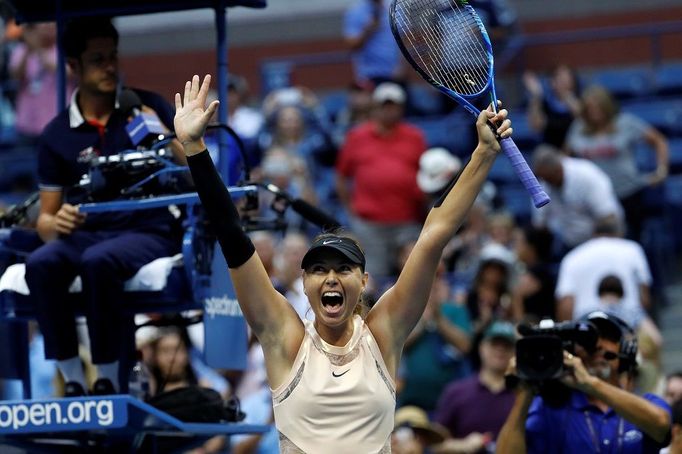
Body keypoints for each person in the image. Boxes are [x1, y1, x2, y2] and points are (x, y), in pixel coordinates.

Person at [173, 73, 513, 452]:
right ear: (303, 283)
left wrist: (483, 153)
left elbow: (434, 235)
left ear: (364, 280)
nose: (331, 278)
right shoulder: (285, 338)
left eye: (343, 268)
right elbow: (233, 237)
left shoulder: (384, 334)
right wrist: (194, 148)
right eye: (319, 269)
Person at [24, 17, 182, 396]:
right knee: (41, 264)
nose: (110, 66)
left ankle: (108, 378)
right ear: (74, 67)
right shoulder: (56, 135)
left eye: (113, 56)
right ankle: (74, 381)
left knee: (99, 261)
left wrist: (164, 135)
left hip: (150, 230)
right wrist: (55, 222)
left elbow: (191, 170)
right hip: (89, 232)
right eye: (98, 59)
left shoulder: (144, 107)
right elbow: (45, 220)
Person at [496, 311, 671, 454]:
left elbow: (661, 425)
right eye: (588, 338)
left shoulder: (646, 403)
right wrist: (525, 393)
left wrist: (590, 384)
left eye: (608, 337)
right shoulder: (549, 409)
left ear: (624, 351)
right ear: (573, 351)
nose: (598, 344)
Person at [336, 82, 426, 277]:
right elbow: (342, 176)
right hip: (369, 225)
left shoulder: (415, 136)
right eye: (384, 105)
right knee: (372, 277)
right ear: (375, 107)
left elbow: (426, 175)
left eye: (393, 105)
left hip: (407, 222)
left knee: (416, 274)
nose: (389, 110)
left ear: (401, 108)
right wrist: (352, 212)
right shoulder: (357, 136)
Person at [565, 84, 669, 241]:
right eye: (590, 108)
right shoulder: (578, 128)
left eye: (598, 107)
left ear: (607, 106)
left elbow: (659, 141)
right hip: (594, 197)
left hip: (628, 192)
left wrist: (661, 170)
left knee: (632, 239)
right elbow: (565, 158)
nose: (595, 112)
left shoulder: (625, 123)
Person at [432, 320, 517, 454]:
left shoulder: (523, 395)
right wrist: (463, 446)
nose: (500, 349)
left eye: (507, 345)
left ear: (514, 352)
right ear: (482, 347)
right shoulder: (457, 392)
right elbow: (435, 444)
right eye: (495, 343)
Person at [531, 143, 623, 251]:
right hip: (568, 244)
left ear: (557, 170)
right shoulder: (544, 182)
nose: (546, 182)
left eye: (548, 178)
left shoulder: (587, 175)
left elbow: (608, 218)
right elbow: (540, 224)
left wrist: (598, 249)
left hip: (601, 241)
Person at [343, 0, 402, 86]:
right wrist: (368, 31)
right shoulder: (355, 11)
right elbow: (351, 45)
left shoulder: (395, 8)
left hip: (396, 74)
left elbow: (405, 39)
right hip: (370, 75)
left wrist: (402, 66)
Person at [523, 64, 581, 148]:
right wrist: (536, 95)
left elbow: (582, 118)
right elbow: (536, 126)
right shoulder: (545, 102)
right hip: (550, 149)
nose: (562, 80)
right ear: (552, 81)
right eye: (558, 76)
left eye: (566, 76)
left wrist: (565, 95)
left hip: (575, 148)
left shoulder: (579, 97)